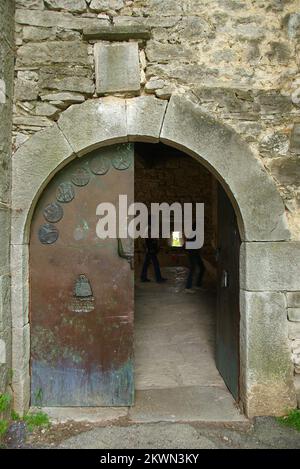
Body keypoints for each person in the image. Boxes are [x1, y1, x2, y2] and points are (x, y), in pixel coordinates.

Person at [185, 226, 205, 293]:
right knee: (193, 269)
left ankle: (198, 285)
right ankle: (188, 287)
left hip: (195, 253)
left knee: (202, 268)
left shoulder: (195, 234)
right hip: (192, 254)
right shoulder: (192, 235)